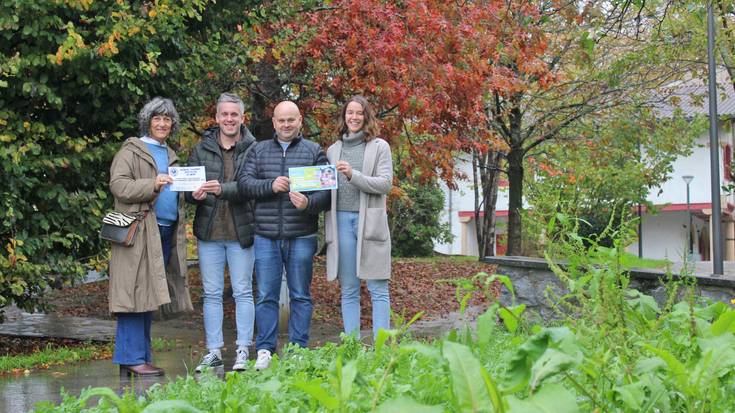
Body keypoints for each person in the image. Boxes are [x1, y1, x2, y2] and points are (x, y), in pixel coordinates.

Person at [237, 101, 330, 370]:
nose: (286, 125)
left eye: (291, 120)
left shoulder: (314, 151)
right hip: (266, 235)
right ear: (274, 122)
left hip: (301, 234)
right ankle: (265, 349)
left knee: (300, 294)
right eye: (281, 120)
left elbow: (326, 193)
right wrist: (270, 185)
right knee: (266, 294)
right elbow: (244, 185)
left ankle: (299, 348)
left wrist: (308, 204)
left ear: (300, 120)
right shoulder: (259, 150)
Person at [108, 97, 188, 376]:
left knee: (148, 295)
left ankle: (139, 356)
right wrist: (152, 184)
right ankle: (131, 357)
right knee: (132, 293)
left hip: (164, 232)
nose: (163, 124)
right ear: (148, 121)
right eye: (157, 119)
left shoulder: (171, 153)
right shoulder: (132, 150)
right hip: (138, 231)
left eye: (167, 119)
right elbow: (118, 186)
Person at [186, 93, 257, 372]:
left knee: (243, 292)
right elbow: (189, 190)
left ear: (242, 118)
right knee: (211, 294)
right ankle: (213, 350)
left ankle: (243, 349)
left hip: (241, 231)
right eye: (224, 114)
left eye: (234, 115)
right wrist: (193, 195)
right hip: (209, 233)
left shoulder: (254, 148)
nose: (229, 119)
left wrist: (222, 189)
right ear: (216, 117)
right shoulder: (201, 148)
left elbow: (252, 186)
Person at [325, 95, 393, 338]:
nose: (353, 117)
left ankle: (382, 348)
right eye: (349, 113)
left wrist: (354, 175)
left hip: (370, 223)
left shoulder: (379, 146)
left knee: (378, 287)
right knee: (349, 288)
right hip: (341, 221)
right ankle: (352, 346)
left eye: (359, 113)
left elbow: (385, 184)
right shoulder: (333, 150)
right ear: (344, 116)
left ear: (366, 116)